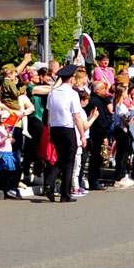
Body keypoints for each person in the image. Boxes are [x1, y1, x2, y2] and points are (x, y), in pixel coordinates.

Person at [44, 65, 85, 203]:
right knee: (68, 161)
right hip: (67, 128)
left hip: (55, 128)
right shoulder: (72, 94)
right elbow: (77, 116)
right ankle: (62, 191)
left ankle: (54, 185)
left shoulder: (53, 92)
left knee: (62, 159)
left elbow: (50, 113)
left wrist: (50, 129)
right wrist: (82, 134)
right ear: (72, 78)